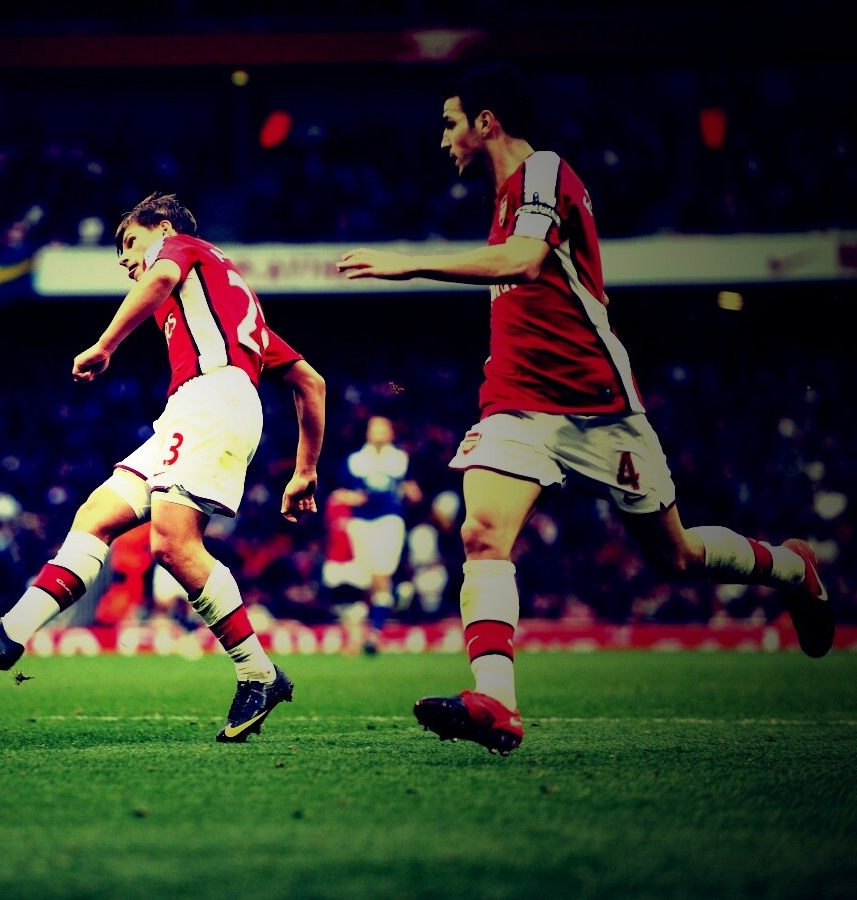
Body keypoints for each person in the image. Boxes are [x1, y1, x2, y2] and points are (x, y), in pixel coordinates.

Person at [336, 62, 834, 756]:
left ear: (487, 122)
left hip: (598, 405)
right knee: (482, 533)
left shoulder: (542, 172)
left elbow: (525, 261)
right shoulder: (505, 197)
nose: (444, 139)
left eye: (451, 123)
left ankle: (790, 568)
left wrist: (410, 263)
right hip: (516, 403)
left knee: (677, 556)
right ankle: (497, 703)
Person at [0, 191, 326, 743]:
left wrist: (105, 345)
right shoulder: (226, 301)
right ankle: (13, 630)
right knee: (96, 514)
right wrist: (304, 470)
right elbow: (311, 382)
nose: (125, 258)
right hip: (197, 407)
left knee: (172, 544)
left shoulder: (183, 248)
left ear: (164, 229)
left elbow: (159, 278)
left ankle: (258, 674)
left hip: (213, 401)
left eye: (130, 242)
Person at [327, 414, 423, 652]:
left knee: (381, 573)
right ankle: (370, 626)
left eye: (383, 428)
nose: (379, 433)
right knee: (366, 579)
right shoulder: (355, 461)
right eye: (375, 428)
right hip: (361, 523)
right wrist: (353, 498)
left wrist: (410, 494)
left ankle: (375, 631)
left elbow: (414, 491)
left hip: (389, 520)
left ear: (391, 433)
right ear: (368, 432)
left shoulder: (401, 459)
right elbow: (340, 493)